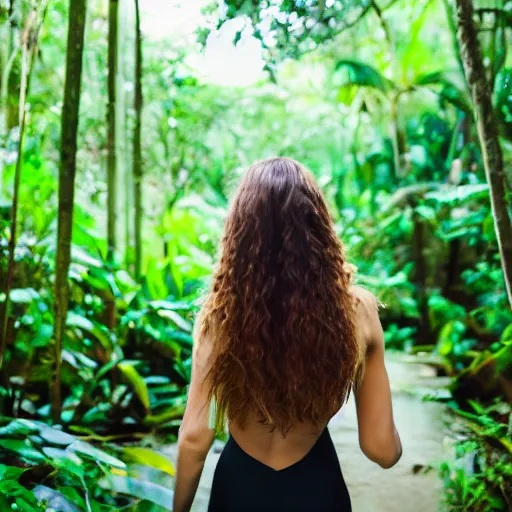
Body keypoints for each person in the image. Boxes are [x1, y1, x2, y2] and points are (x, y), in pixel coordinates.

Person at [173, 157, 402, 512]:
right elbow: (383, 451)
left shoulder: (219, 316)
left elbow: (193, 439)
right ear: (319, 226)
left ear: (240, 234)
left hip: (239, 491)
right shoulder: (358, 311)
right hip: (317, 490)